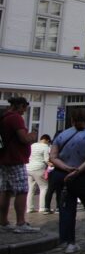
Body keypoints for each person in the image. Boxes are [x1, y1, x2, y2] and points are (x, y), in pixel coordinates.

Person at [49, 108, 85, 252]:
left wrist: (66, 168)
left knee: (66, 209)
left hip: (62, 175)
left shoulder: (61, 135)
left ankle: (68, 243)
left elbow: (53, 157)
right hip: (84, 176)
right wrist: (77, 170)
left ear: (71, 119)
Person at [0, 96, 40, 233]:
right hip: (15, 159)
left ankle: (3, 222)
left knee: (6, 191)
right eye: (24, 108)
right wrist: (32, 136)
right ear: (20, 106)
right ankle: (20, 222)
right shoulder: (15, 118)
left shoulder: (4, 116)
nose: (24, 112)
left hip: (4, 159)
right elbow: (23, 138)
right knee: (22, 190)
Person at [26, 134, 50, 213]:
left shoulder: (33, 145)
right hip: (38, 168)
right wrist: (51, 164)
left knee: (31, 188)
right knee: (44, 187)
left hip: (28, 168)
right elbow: (46, 160)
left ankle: (30, 208)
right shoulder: (46, 147)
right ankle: (42, 207)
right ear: (47, 140)